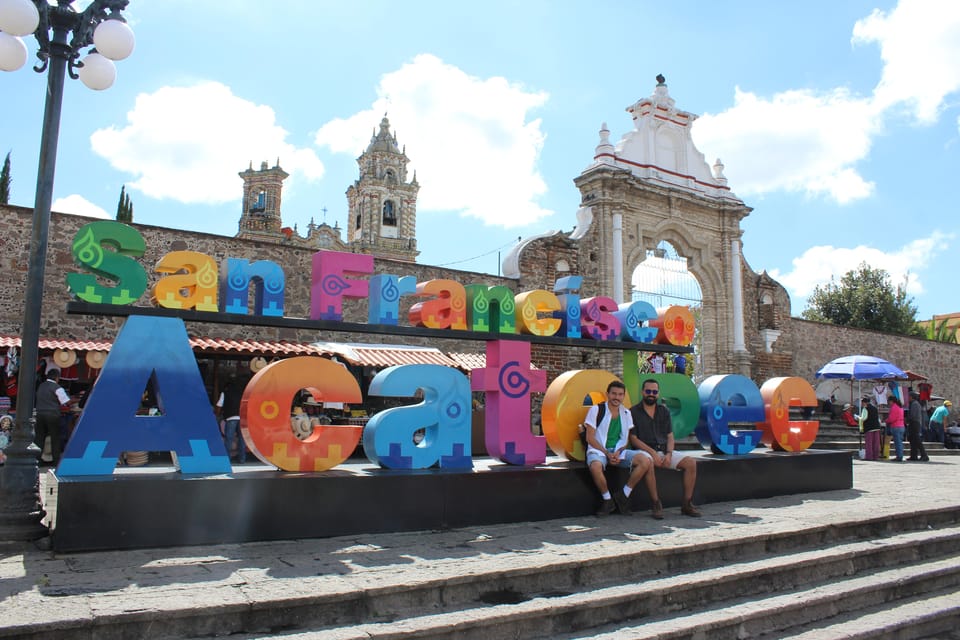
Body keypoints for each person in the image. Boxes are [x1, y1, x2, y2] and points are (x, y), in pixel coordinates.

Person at [629, 378, 701, 518]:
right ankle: (656, 504)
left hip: (663, 450)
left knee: (690, 463)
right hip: (644, 451)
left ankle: (687, 504)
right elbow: (633, 439)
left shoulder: (664, 411)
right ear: (642, 392)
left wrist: (668, 454)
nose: (651, 394)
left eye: (654, 391)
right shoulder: (633, 412)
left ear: (658, 393)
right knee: (648, 462)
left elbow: (670, 436)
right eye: (648, 391)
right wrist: (652, 453)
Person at [583, 380, 652, 517]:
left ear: (623, 396)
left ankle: (623, 496)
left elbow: (625, 439)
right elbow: (590, 438)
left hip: (617, 451)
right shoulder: (596, 410)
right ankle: (607, 500)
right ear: (607, 394)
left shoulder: (626, 413)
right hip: (599, 450)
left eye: (620, 394)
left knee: (645, 461)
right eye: (614, 393)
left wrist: (617, 453)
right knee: (595, 467)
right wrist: (607, 454)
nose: (617, 397)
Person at [35, 368, 71, 466]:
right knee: (55, 438)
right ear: (56, 378)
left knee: (39, 438)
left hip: (39, 414)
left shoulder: (41, 386)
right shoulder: (57, 387)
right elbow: (66, 402)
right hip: (52, 415)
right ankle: (56, 461)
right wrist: (73, 400)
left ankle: (38, 460)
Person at [216, 374, 247, 463]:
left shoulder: (225, 393)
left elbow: (219, 405)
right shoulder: (242, 393)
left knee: (229, 439)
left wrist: (217, 414)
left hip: (230, 418)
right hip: (241, 417)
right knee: (242, 439)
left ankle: (227, 459)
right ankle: (242, 459)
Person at [906, 391, 929, 462]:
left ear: (911, 397)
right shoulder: (913, 404)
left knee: (917, 440)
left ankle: (924, 455)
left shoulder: (915, 404)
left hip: (915, 423)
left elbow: (913, 415)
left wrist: (907, 419)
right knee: (912, 440)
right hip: (914, 423)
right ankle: (913, 455)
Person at [885, 395, 906, 462]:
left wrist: (886, 421)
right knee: (900, 442)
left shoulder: (894, 407)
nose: (888, 403)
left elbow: (892, 418)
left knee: (897, 443)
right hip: (901, 426)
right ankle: (900, 455)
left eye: (888, 401)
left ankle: (899, 456)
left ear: (891, 401)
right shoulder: (900, 407)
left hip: (896, 426)